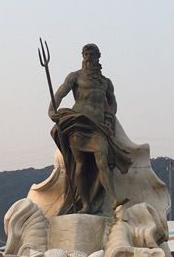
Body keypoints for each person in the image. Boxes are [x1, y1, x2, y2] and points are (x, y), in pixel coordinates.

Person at [49, 43, 131, 214]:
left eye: (92, 55)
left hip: (98, 126)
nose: (88, 58)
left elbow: (113, 103)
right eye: (86, 55)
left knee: (102, 156)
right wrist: (51, 110)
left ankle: (113, 199)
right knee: (81, 164)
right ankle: (86, 204)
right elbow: (59, 94)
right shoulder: (75, 76)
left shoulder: (106, 82)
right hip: (78, 123)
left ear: (98, 57)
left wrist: (109, 116)